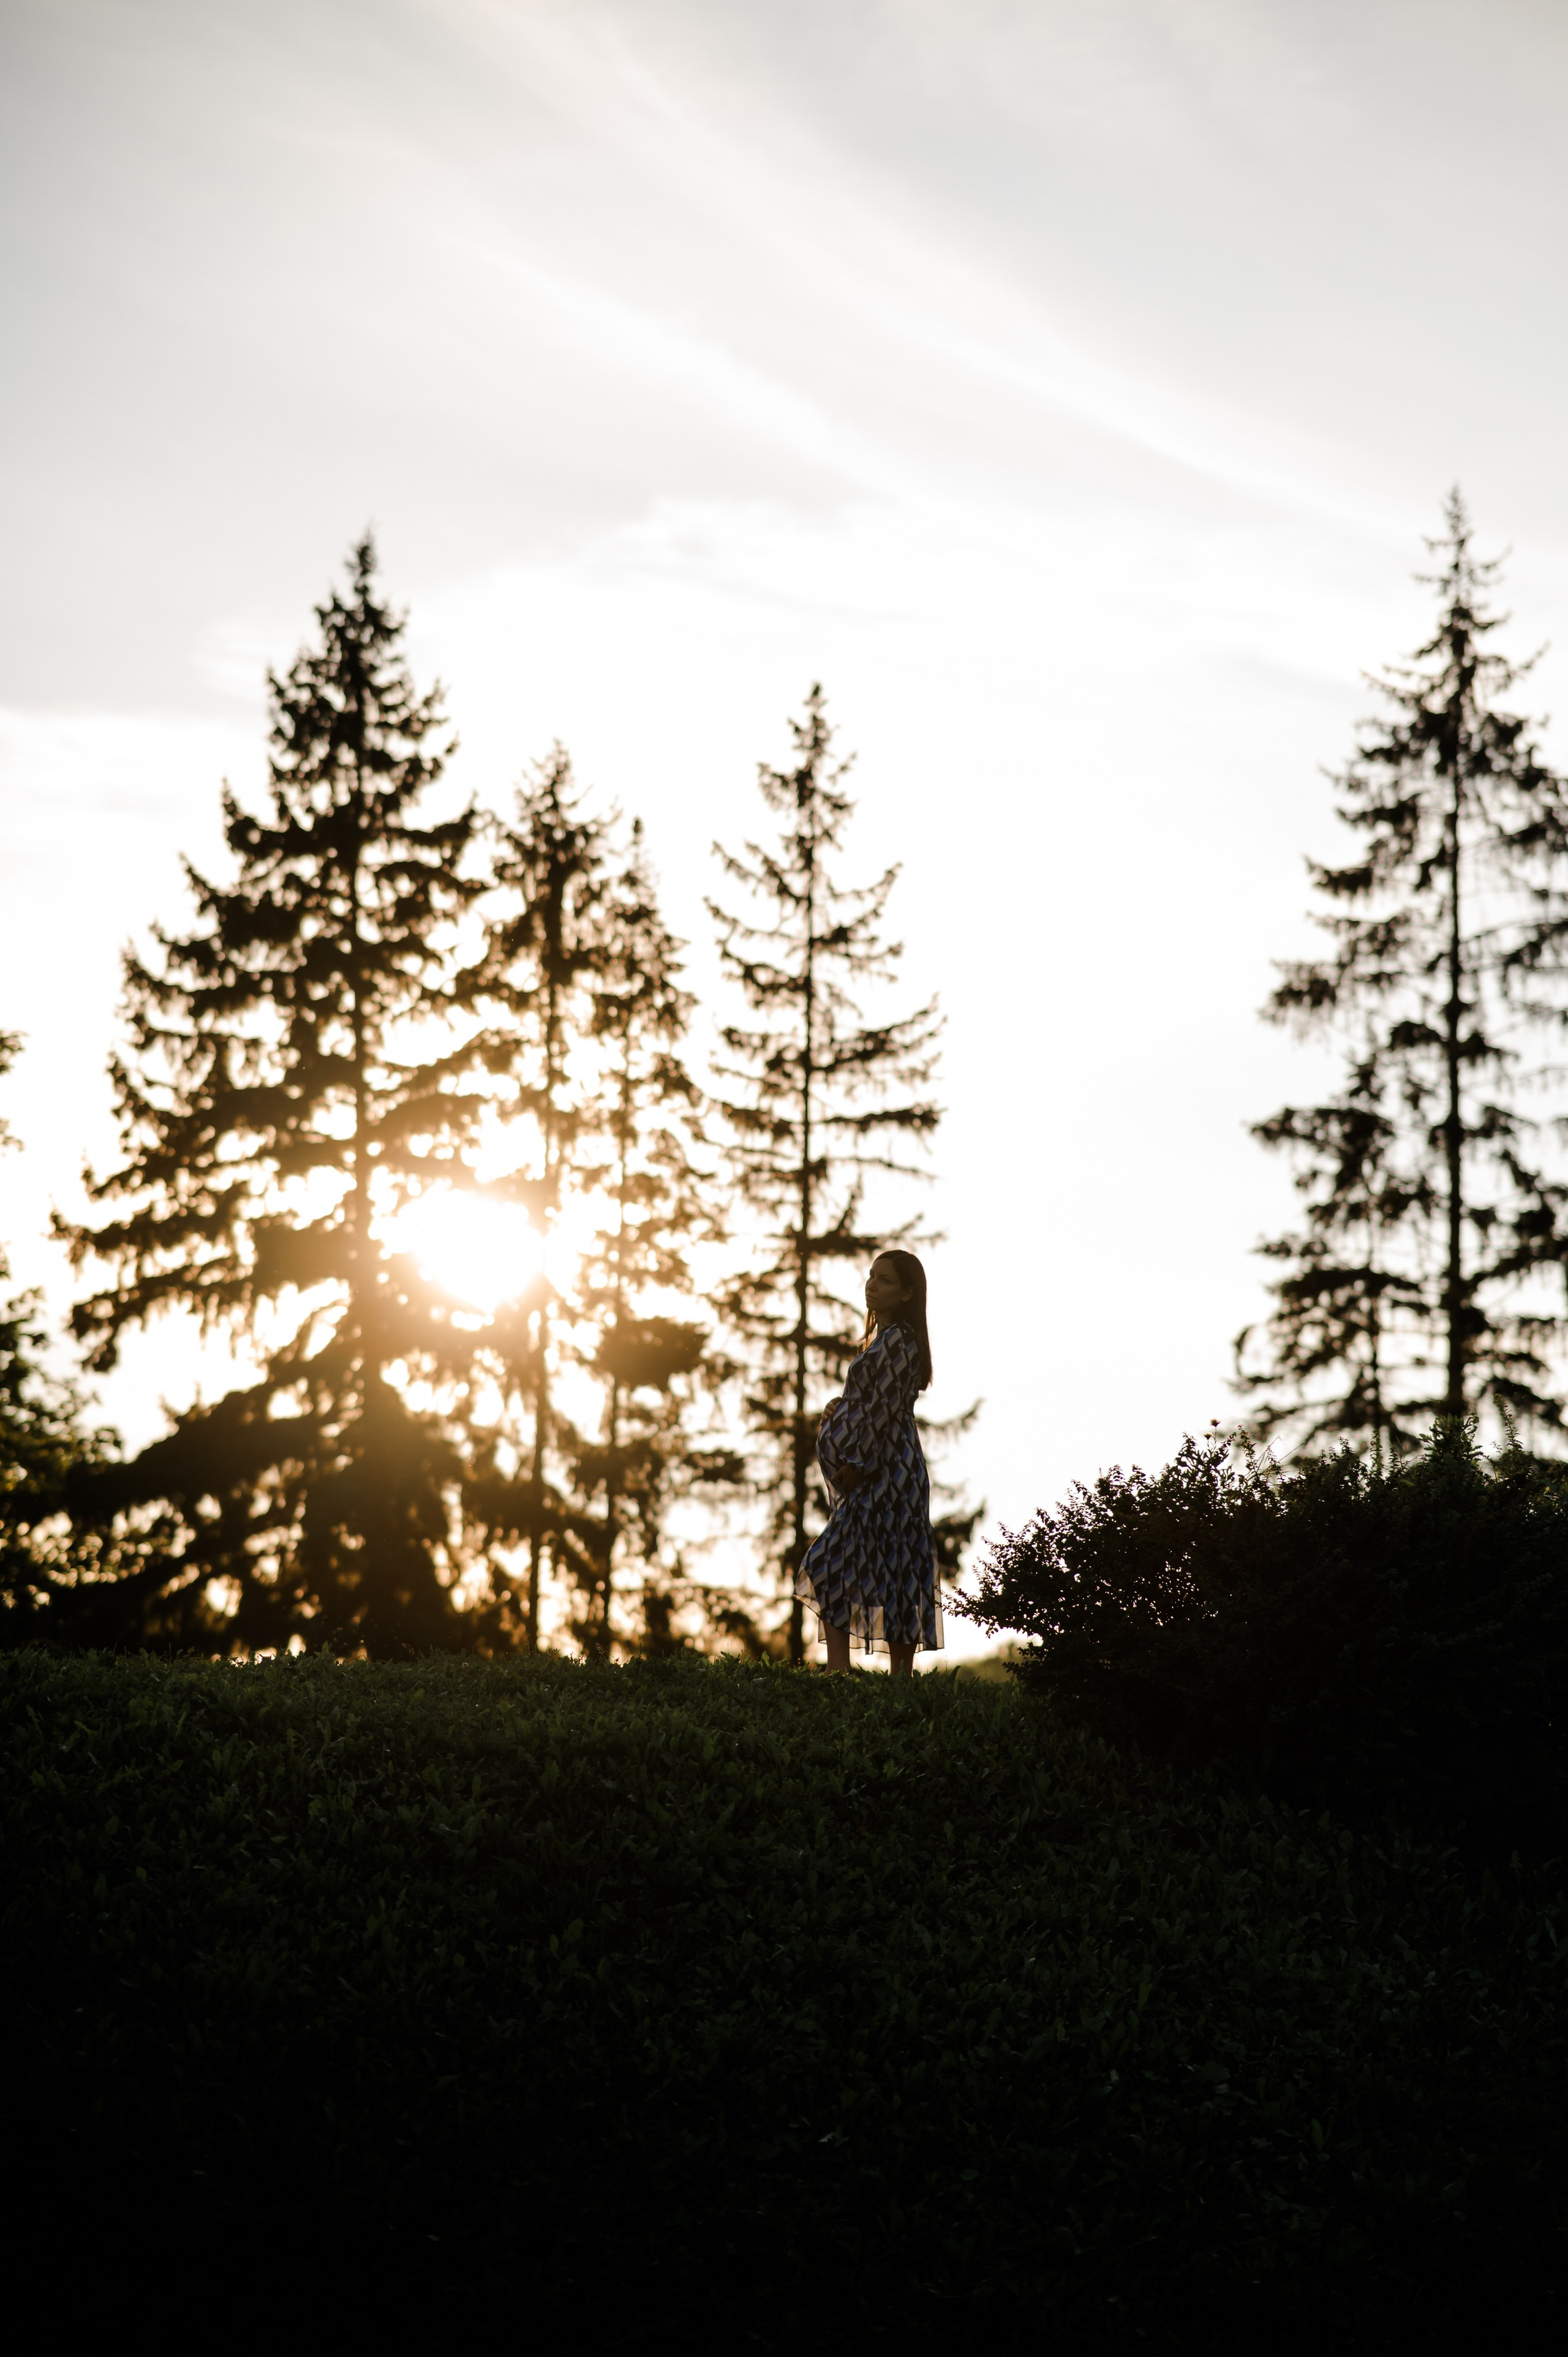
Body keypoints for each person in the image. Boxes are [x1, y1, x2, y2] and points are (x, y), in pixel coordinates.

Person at [797, 1249, 942, 1678]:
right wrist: (840, 1410)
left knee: (836, 1564)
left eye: (884, 1280)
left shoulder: (899, 1340)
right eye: (871, 1276)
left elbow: (883, 1415)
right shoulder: (886, 1340)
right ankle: (844, 1672)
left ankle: (866, 1674)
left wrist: (858, 1465)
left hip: (887, 1477)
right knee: (877, 1568)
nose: (872, 1285)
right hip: (881, 1472)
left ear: (907, 1293)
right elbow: (875, 1401)